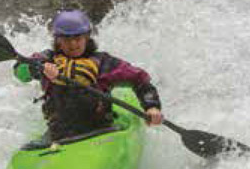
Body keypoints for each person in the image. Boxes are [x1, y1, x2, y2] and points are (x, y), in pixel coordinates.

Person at [13, 9, 163, 144]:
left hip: (100, 130)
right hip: (59, 134)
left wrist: (152, 107)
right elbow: (20, 72)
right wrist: (38, 69)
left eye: (77, 38)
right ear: (58, 40)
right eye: (66, 39)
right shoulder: (46, 59)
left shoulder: (104, 63)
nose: (72, 44)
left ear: (87, 37)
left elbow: (140, 80)